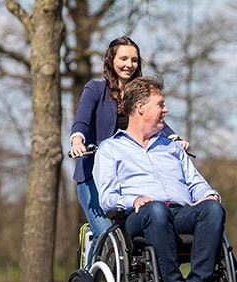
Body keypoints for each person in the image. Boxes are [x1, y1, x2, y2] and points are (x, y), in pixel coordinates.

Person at [94, 75, 224, 282]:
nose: (166, 109)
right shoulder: (110, 149)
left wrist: (208, 194)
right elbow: (107, 198)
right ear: (140, 108)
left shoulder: (172, 147)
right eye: (160, 104)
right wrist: (133, 200)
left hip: (179, 214)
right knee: (154, 209)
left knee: (213, 209)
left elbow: (195, 182)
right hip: (139, 217)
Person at [69, 36, 189, 265]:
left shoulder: (141, 94)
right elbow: (82, 121)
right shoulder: (96, 89)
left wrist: (174, 138)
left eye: (134, 59)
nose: (128, 64)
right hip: (94, 176)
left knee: (131, 237)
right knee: (107, 232)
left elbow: (153, 118)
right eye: (123, 58)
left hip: (126, 177)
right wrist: (77, 141)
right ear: (111, 60)